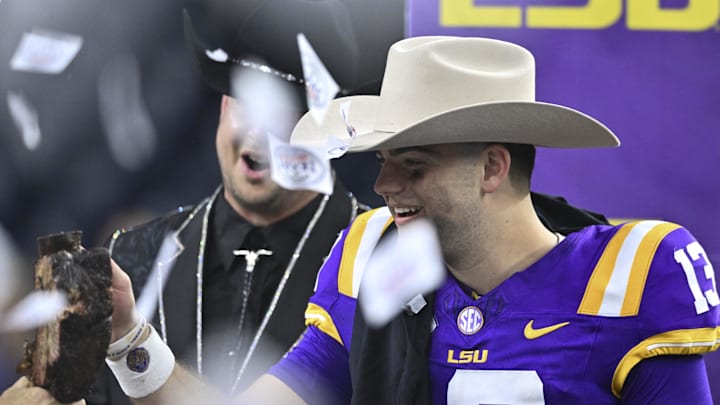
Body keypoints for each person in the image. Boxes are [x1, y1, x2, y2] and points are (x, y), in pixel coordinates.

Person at [100, 35, 720, 404]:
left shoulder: (632, 276)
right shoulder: (370, 255)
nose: (382, 186)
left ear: (492, 167)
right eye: (384, 161)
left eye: (414, 165)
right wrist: (129, 337)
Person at [85, 0, 370, 403]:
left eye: (284, 115)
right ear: (222, 104)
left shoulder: (373, 259)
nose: (258, 135)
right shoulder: (131, 257)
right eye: (246, 105)